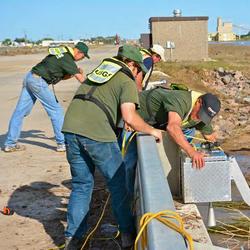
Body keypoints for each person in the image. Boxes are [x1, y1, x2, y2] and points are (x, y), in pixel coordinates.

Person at [61, 44, 162, 249]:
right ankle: (127, 234)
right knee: (118, 185)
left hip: (70, 129)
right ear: (132, 65)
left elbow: (101, 100)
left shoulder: (100, 72)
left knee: (81, 186)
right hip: (96, 133)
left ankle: (73, 239)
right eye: (138, 71)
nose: (138, 75)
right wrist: (152, 130)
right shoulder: (126, 79)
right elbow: (130, 117)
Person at [121, 86, 221, 196]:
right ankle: (128, 196)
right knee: (130, 162)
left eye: (204, 117)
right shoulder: (181, 100)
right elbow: (172, 127)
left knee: (189, 132)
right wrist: (192, 152)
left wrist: (217, 154)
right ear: (199, 102)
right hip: (135, 118)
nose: (199, 118)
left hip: (158, 124)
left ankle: (173, 175)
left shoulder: (201, 116)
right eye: (199, 114)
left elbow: (210, 136)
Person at [3, 42, 89, 153]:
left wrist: (73, 73)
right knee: (56, 111)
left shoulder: (62, 53)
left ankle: (10, 144)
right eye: (83, 56)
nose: (82, 59)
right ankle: (62, 143)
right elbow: (81, 79)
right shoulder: (68, 59)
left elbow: (63, 76)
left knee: (19, 112)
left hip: (30, 77)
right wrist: (92, 87)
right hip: (38, 82)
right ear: (78, 52)